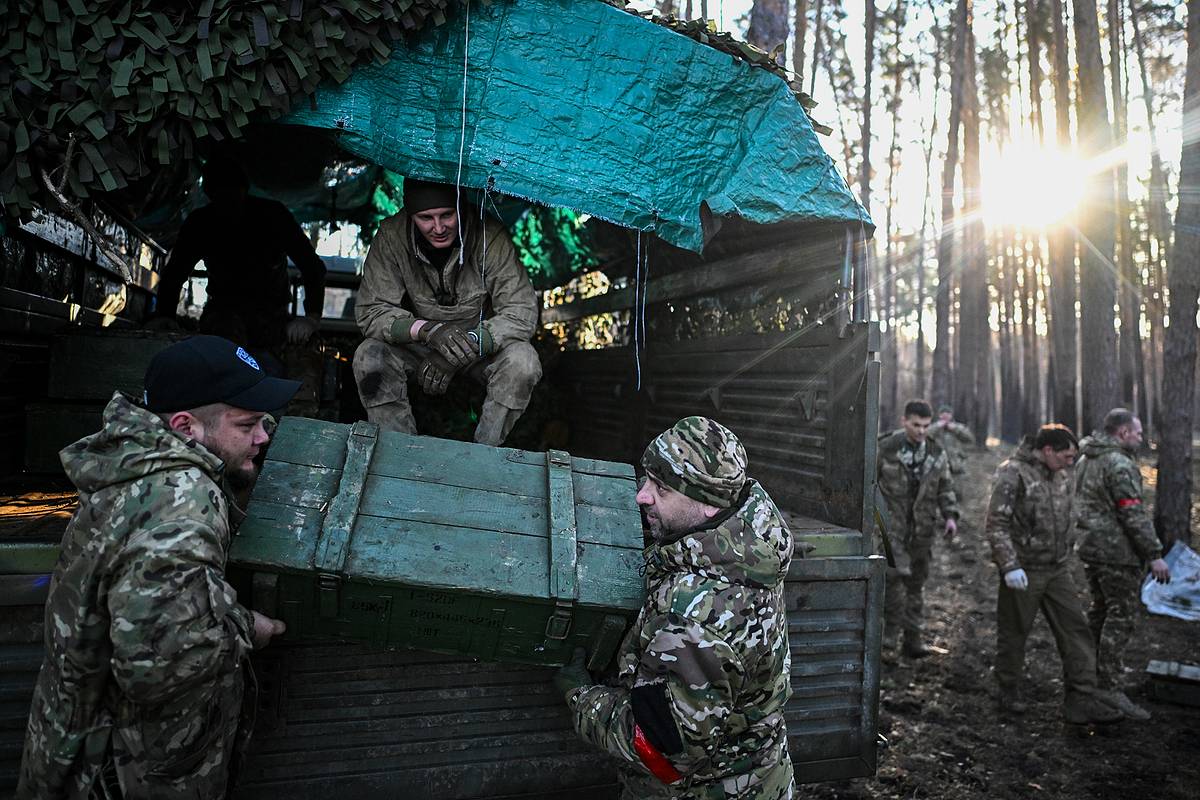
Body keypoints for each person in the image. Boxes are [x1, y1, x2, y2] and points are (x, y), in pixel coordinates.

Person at [18, 335, 293, 799]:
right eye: (247, 424)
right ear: (186, 426)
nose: (263, 436)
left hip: (81, 746)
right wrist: (248, 626)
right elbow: (158, 664)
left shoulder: (135, 458)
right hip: (127, 771)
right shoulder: (181, 501)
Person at [553, 417, 795, 799]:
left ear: (709, 506)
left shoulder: (695, 618)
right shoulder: (747, 543)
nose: (642, 496)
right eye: (647, 478)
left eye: (661, 489)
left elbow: (661, 752)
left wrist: (581, 695)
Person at [352, 178, 541, 447]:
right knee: (369, 356)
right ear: (410, 215)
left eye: (447, 215)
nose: (438, 228)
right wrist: (428, 331)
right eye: (426, 218)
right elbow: (371, 311)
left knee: (524, 361)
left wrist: (465, 348)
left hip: (480, 348)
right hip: (418, 346)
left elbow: (521, 312)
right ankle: (398, 454)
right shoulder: (391, 237)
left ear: (461, 208)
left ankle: (484, 456)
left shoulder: (490, 235)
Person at [149, 155, 327, 416]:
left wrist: (310, 318)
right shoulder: (202, 222)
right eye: (221, 196)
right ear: (210, 195)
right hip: (223, 318)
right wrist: (164, 315)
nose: (229, 203)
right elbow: (175, 272)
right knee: (225, 369)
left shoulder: (272, 215)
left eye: (233, 193)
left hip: (271, 319)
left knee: (273, 376)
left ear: (244, 190)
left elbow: (312, 267)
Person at [985, 424, 1122, 724]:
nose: (1070, 462)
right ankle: (1008, 690)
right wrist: (1010, 566)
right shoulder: (1013, 473)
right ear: (1048, 451)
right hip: (1024, 570)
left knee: (1075, 629)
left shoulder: (1061, 473)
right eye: (1066, 456)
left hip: (1057, 568)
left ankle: (1081, 698)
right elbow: (996, 524)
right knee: (1014, 632)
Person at [1075, 408, 1171, 720]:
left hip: (1091, 547)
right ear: (1122, 433)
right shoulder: (1117, 463)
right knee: (1121, 617)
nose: (1142, 438)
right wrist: (1154, 554)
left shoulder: (1086, 457)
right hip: (1116, 553)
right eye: (1138, 433)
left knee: (1100, 612)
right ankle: (1109, 686)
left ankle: (1087, 676)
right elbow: (1131, 513)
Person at [876, 399, 961, 660]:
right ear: (904, 421)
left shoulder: (936, 453)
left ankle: (912, 640)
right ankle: (887, 641)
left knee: (916, 585)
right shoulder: (886, 448)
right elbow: (869, 485)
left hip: (922, 530)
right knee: (893, 583)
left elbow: (945, 487)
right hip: (890, 530)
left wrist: (950, 516)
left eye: (925, 426)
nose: (922, 431)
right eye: (916, 425)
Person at [928, 403, 975, 475]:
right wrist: (937, 426)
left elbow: (970, 438)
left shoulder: (958, 427)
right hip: (938, 467)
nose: (945, 415)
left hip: (957, 465)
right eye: (943, 413)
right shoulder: (934, 428)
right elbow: (926, 434)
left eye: (948, 413)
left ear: (951, 415)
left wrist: (955, 429)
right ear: (939, 415)